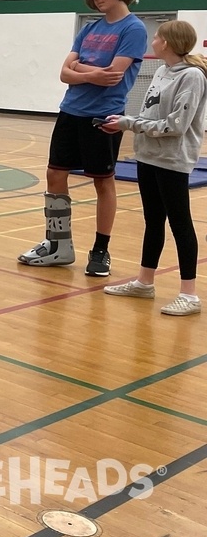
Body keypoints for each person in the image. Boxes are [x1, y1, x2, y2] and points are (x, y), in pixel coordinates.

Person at [18, 0, 147, 276]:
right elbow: (65, 73)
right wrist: (89, 73)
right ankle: (58, 244)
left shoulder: (133, 28)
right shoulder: (90, 28)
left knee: (103, 182)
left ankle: (101, 250)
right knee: (54, 174)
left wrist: (79, 68)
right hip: (70, 110)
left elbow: (112, 76)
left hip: (103, 115)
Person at [100, 20, 207, 316]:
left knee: (180, 223)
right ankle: (145, 282)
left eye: (158, 36)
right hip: (147, 157)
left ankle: (189, 294)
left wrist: (128, 123)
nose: (154, 40)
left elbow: (176, 126)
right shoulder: (161, 71)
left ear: (168, 43)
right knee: (153, 221)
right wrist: (127, 124)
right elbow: (151, 112)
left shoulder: (193, 77)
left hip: (172, 160)